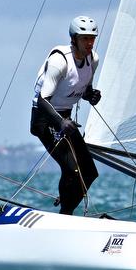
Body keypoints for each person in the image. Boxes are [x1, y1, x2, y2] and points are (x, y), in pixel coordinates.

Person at [30, 16, 102, 215]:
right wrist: (60, 122)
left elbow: (82, 88)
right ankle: (65, 215)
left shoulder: (92, 59)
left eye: (92, 38)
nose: (89, 43)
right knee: (72, 170)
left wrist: (91, 95)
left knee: (89, 173)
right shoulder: (59, 61)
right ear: (74, 39)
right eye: (84, 38)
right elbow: (43, 100)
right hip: (45, 119)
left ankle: (67, 208)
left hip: (65, 119)